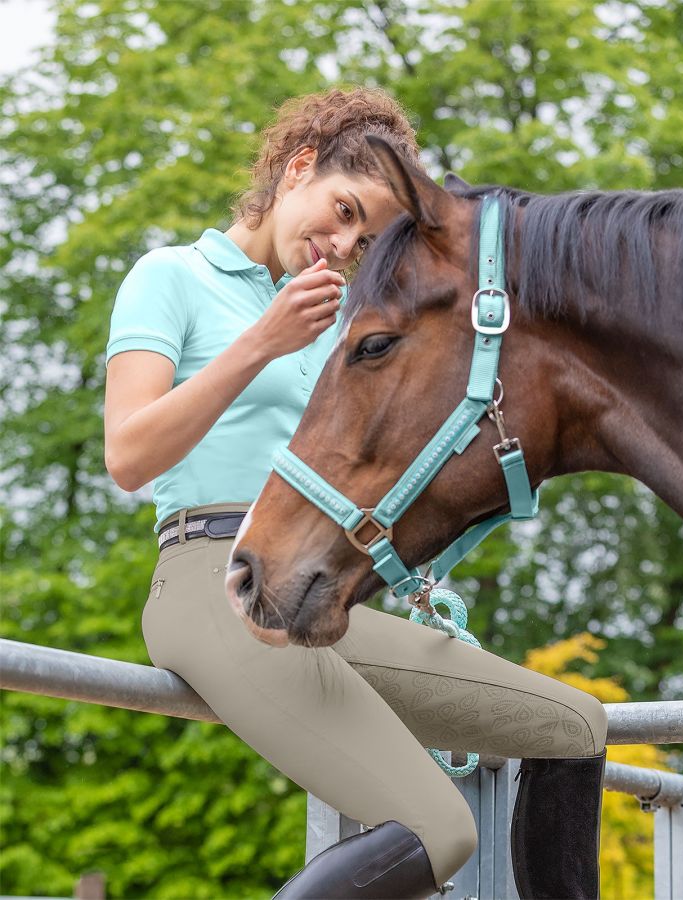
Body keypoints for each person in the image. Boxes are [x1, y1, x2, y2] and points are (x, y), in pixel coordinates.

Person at [103, 86, 608, 899]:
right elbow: (126, 456)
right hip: (209, 578)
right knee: (440, 830)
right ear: (296, 168)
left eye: (363, 238)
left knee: (572, 728)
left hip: (317, 586)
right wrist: (262, 343)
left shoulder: (347, 327)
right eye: (340, 212)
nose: (340, 245)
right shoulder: (175, 277)